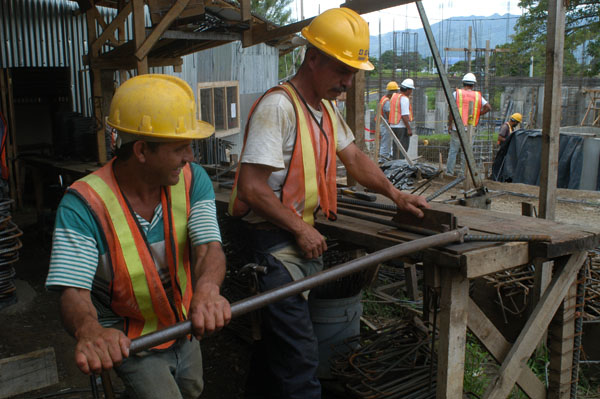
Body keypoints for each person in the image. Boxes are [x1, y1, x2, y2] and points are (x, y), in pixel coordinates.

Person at [228, 7, 429, 399]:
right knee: (301, 358)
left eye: (353, 73)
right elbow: (252, 188)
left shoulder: (324, 109)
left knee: (276, 347)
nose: (348, 82)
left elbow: (354, 157)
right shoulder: (279, 107)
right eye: (342, 70)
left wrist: (396, 195)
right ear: (313, 57)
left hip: (293, 238)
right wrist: (301, 228)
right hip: (272, 245)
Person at [45, 74, 231, 399]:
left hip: (181, 321)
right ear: (142, 150)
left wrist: (207, 290)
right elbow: (73, 289)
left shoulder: (191, 180)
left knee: (191, 388)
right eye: (180, 148)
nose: (191, 156)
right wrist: (90, 331)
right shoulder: (83, 204)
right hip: (125, 330)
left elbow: (208, 248)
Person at [446, 72, 491, 176]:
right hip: (470, 128)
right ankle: (463, 174)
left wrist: (449, 124)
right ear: (473, 84)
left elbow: (452, 110)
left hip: (457, 127)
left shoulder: (456, 94)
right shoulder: (477, 95)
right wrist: (477, 114)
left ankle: (449, 173)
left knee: (453, 150)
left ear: (463, 83)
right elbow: (488, 107)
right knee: (466, 152)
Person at [389, 78, 415, 159]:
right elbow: (404, 115)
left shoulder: (394, 96)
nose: (411, 92)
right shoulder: (404, 99)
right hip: (401, 127)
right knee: (402, 150)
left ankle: (394, 165)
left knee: (395, 148)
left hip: (393, 126)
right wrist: (409, 128)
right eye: (411, 90)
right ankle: (400, 166)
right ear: (408, 89)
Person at [377, 81, 399, 163]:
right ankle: (383, 159)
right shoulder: (387, 101)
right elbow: (388, 113)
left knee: (387, 141)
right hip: (386, 123)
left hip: (384, 123)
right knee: (386, 142)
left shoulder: (384, 98)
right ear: (392, 92)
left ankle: (386, 157)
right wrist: (393, 122)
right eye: (396, 92)